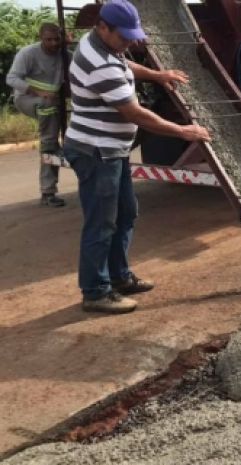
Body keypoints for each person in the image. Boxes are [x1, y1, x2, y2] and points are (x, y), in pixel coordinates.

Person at [64, 0, 210, 313]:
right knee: (101, 223)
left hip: (111, 148)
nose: (130, 42)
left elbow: (126, 64)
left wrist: (157, 75)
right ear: (103, 26)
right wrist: (184, 132)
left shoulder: (103, 45)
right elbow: (135, 114)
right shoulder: (98, 62)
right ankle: (95, 291)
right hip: (96, 150)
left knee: (126, 213)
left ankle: (119, 277)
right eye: (124, 37)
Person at [6, 23, 67, 207]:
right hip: (27, 99)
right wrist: (38, 92)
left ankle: (56, 145)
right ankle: (48, 192)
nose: (54, 43)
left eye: (57, 39)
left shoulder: (64, 55)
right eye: (49, 39)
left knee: (51, 112)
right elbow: (11, 79)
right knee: (49, 143)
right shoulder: (27, 54)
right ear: (41, 38)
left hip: (52, 103)